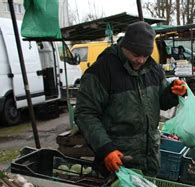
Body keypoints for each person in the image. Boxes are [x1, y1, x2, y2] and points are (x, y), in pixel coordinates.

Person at [75, 21, 187, 177]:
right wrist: (106, 149)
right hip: (118, 160)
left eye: (145, 55)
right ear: (124, 47)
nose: (140, 60)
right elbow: (85, 113)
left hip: (150, 158)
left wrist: (173, 93)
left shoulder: (153, 68)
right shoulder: (102, 70)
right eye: (135, 55)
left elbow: (162, 102)